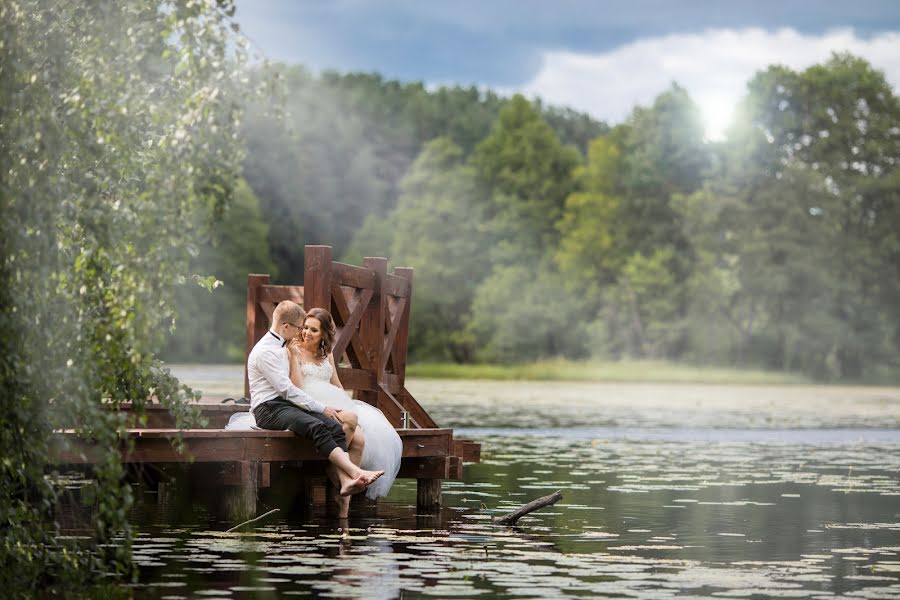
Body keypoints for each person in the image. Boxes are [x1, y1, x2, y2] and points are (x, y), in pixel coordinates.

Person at [247, 300, 383, 517]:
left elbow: (325, 385)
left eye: (309, 329)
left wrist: (330, 408)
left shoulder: (283, 345)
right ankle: (354, 471)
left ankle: (347, 481)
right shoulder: (267, 351)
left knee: (334, 426)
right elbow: (289, 390)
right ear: (286, 327)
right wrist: (322, 407)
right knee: (318, 425)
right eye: (301, 328)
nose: (303, 333)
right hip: (269, 408)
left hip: (285, 404)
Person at [288, 307, 403, 500]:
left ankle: (343, 501)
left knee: (360, 440)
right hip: (312, 402)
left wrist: (348, 403)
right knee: (352, 430)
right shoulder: (293, 350)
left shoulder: (328, 353)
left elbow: (336, 384)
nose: (307, 333)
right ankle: (336, 473)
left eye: (314, 330)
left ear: (324, 333)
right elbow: (296, 387)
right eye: (305, 328)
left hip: (334, 401)